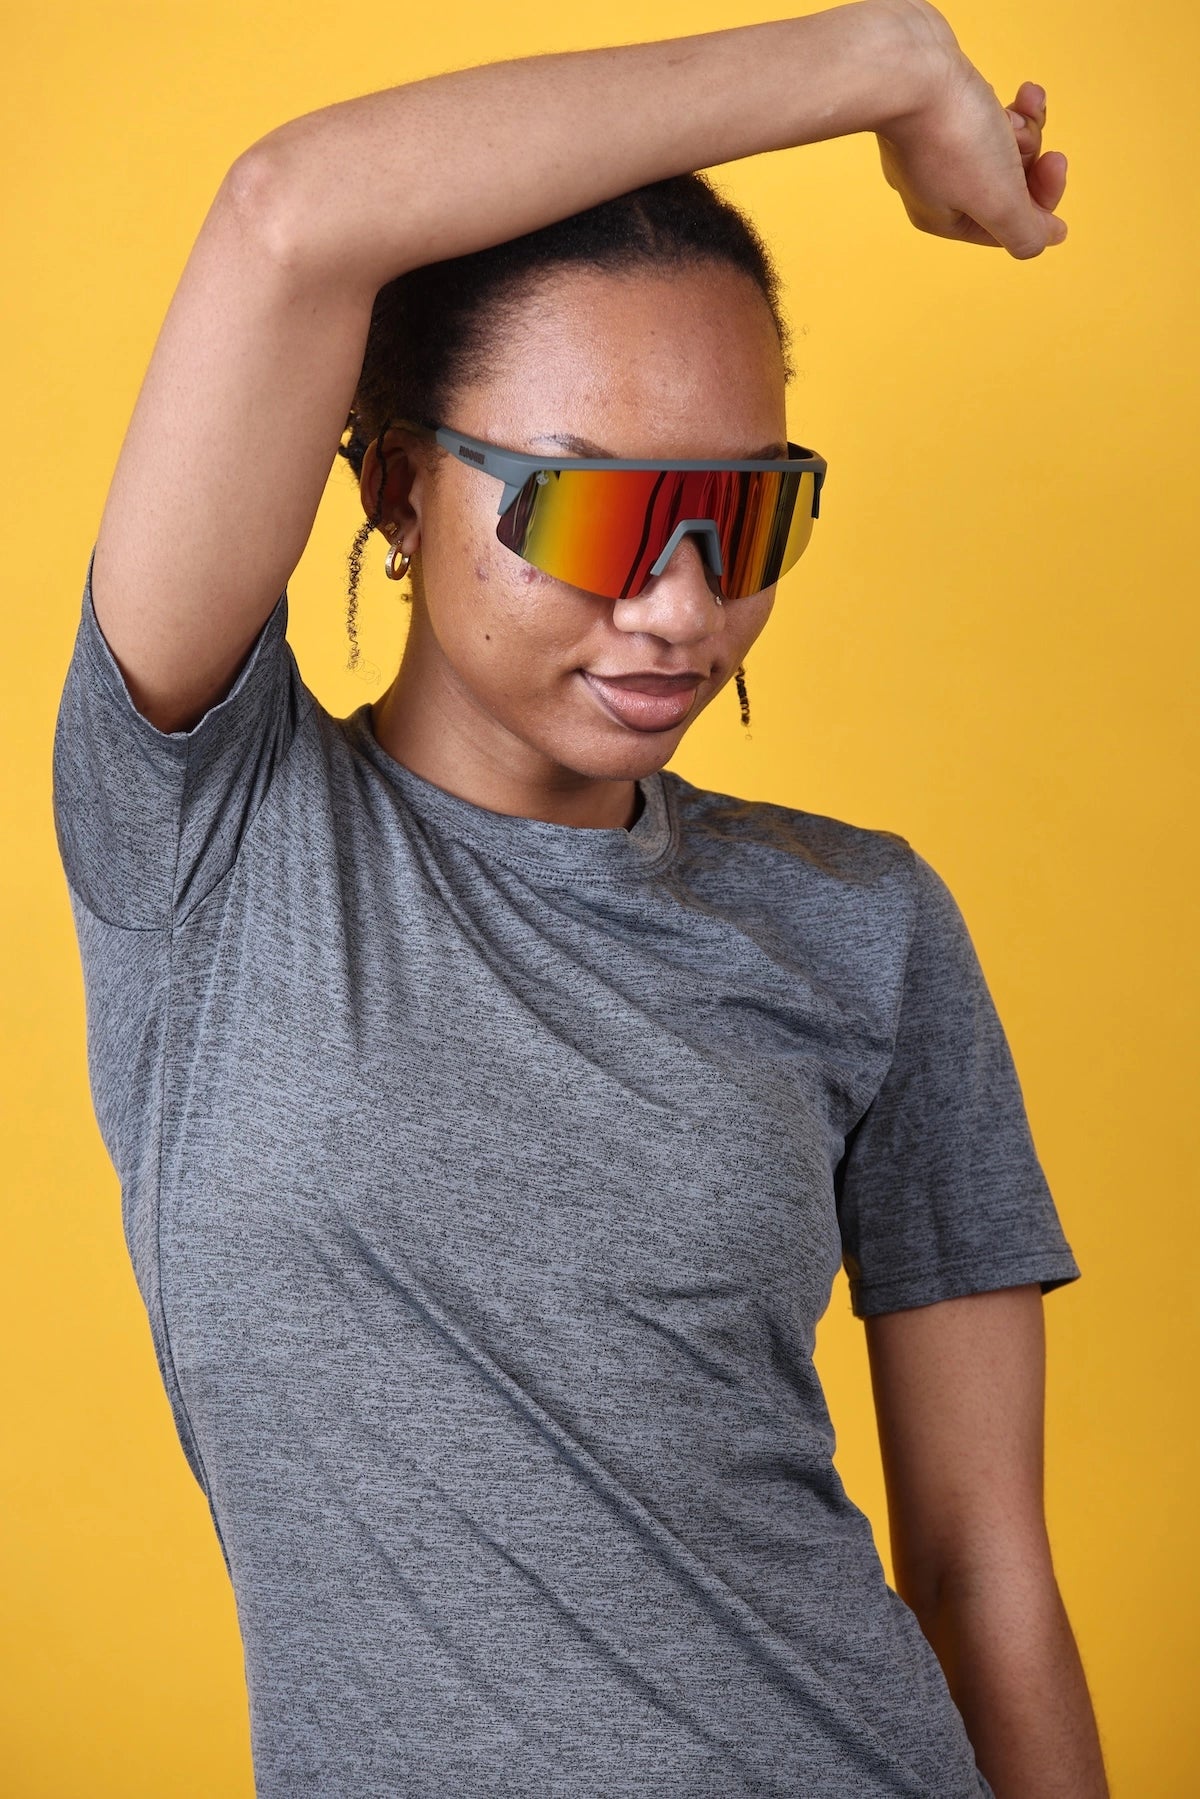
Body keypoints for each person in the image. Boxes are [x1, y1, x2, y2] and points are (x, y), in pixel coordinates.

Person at [51, 1, 1109, 1793]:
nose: (684, 606)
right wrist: (880, 62)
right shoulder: (206, 827)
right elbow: (289, 215)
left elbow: (985, 1571)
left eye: (744, 520)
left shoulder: (864, 925)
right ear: (397, 488)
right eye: (597, 515)